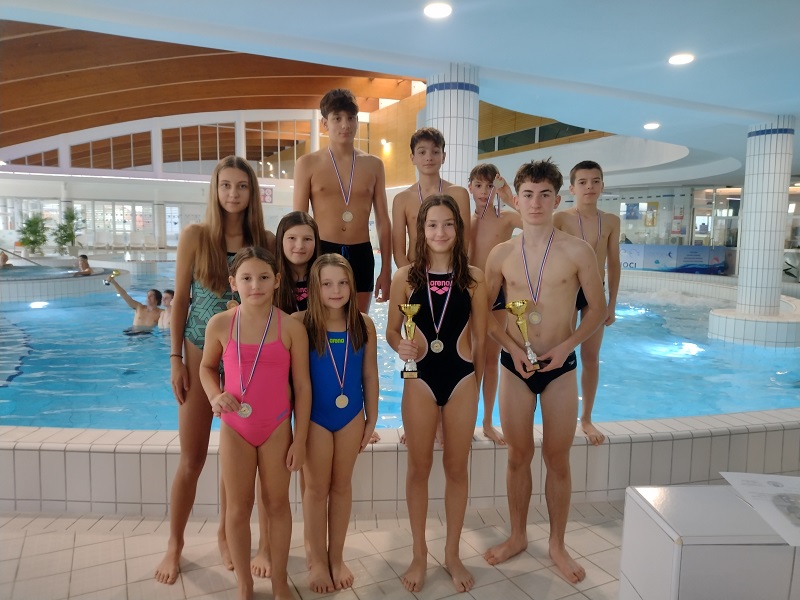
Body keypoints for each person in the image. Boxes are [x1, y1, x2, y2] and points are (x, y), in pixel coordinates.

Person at [155, 155, 276, 585]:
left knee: (234, 459)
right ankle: (175, 543)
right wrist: (174, 359)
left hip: (245, 362)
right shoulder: (196, 236)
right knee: (192, 458)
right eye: (226, 185)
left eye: (242, 186)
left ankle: (227, 533)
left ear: (252, 192)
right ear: (215, 188)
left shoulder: (264, 239)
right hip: (198, 353)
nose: (233, 194)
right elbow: (180, 301)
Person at [483, 159, 605, 583]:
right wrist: (512, 349)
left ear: (558, 199)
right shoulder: (501, 254)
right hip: (515, 366)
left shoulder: (578, 251)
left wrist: (568, 345)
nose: (535, 203)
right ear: (516, 200)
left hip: (561, 366)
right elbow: (486, 313)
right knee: (518, 455)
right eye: (528, 195)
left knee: (557, 458)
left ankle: (557, 544)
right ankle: (517, 535)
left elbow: (597, 309)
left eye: (545, 195)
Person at [387, 195, 487, 593]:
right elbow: (393, 330)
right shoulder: (405, 278)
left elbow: (481, 340)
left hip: (461, 379)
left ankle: (452, 553)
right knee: (419, 468)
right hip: (420, 379)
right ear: (421, 230)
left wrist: (477, 387)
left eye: (448, 224)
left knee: (457, 469)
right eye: (432, 225)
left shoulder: (474, 278)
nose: (440, 232)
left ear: (458, 230)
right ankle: (418, 553)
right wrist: (399, 345)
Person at [200, 246, 310, 600]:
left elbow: (303, 388)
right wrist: (215, 395)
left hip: (276, 427)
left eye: (263, 277)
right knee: (238, 507)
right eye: (246, 278)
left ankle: (279, 581)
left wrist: (300, 439)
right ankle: (245, 585)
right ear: (233, 283)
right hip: (236, 428)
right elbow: (206, 368)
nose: (255, 285)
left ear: (277, 281)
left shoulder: (290, 327)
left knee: (277, 505)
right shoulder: (220, 324)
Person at [297, 253, 378, 593]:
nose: (336, 290)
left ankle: (336, 557)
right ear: (314, 287)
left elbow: (369, 375)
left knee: (342, 486)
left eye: (343, 283)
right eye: (327, 284)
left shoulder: (363, 324)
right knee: (316, 489)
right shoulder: (300, 323)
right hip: (315, 418)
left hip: (351, 416)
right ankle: (317, 559)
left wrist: (371, 419)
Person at [293, 88, 392, 313]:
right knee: (319, 323)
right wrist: (296, 270)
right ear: (325, 123)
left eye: (351, 118)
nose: (345, 125)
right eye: (337, 118)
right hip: (322, 251)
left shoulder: (374, 165)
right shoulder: (307, 164)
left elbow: (383, 220)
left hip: (361, 253)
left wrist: (386, 269)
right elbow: (298, 222)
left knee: (358, 323)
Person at [553, 160, 620, 445]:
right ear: (572, 188)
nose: (589, 187)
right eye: (582, 182)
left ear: (603, 185)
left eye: (595, 181)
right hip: (568, 291)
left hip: (596, 293)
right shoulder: (561, 218)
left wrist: (612, 304)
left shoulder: (611, 221)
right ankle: (560, 414)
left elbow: (614, 264)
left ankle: (587, 418)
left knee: (591, 357)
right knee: (564, 353)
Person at [467, 163, 521, 445]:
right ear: (470, 188)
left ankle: (487, 422)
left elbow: (536, 223)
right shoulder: (465, 222)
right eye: (478, 185)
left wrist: (508, 194)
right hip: (469, 294)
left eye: (490, 186)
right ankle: (465, 420)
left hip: (497, 295)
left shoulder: (507, 219)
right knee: (467, 358)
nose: (484, 192)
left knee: (491, 360)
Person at [391, 127, 472, 269]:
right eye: (422, 152)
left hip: (450, 271)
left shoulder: (459, 194)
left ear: (443, 156)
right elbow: (398, 252)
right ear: (412, 158)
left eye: (435, 152)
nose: (429, 157)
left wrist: (453, 274)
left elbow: (464, 242)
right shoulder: (402, 200)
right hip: (414, 270)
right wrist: (411, 278)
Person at [275, 211, 321, 314]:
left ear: (316, 242)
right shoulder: (269, 279)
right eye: (292, 238)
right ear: (280, 240)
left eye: (307, 239)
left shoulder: (325, 278)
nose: (300, 246)